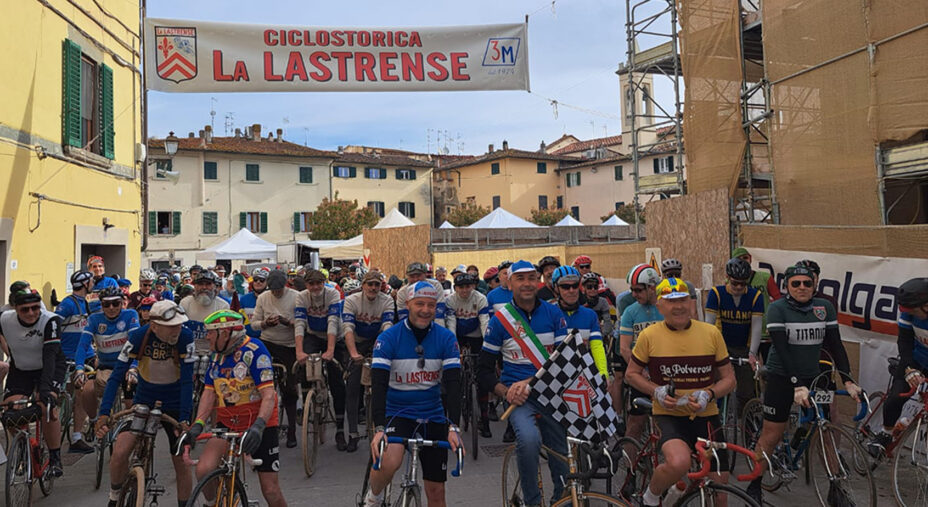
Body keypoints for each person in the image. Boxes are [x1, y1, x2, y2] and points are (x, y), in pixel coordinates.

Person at [746, 264, 862, 504]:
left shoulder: (825, 308)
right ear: (787, 286)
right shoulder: (778, 309)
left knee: (826, 426)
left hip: (815, 377)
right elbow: (782, 348)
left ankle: (835, 486)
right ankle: (754, 483)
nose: (801, 287)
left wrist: (848, 381)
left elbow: (836, 345)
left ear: (814, 285)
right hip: (782, 377)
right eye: (795, 283)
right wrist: (797, 385)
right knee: (772, 434)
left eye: (807, 283)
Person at [625, 277, 737, 507]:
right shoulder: (649, 335)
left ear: (692, 302)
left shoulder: (711, 333)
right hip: (670, 416)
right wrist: (656, 391)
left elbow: (729, 379)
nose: (678, 306)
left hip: (706, 416)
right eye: (670, 301)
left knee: (720, 488)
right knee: (679, 462)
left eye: (683, 299)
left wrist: (709, 394)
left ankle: (677, 494)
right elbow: (631, 374)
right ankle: (651, 496)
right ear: (660, 306)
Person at [478, 260, 569, 506]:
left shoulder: (554, 313)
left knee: (561, 451)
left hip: (553, 394)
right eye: (521, 279)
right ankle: (533, 501)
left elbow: (566, 361)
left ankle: (562, 500)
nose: (527, 284)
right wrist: (505, 392)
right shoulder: (499, 320)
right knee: (528, 441)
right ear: (510, 282)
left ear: (539, 281)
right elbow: (484, 371)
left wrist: (529, 381)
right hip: (519, 399)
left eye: (532, 278)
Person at [364, 282, 462, 507]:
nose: (425, 310)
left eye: (431, 305)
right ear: (407, 305)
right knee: (390, 460)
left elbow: (454, 384)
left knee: (437, 492)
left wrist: (454, 427)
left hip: (432, 414)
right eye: (419, 304)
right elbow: (378, 385)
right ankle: (374, 497)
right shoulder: (389, 338)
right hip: (396, 412)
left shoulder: (446, 338)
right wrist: (379, 429)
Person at [94, 300, 195, 507]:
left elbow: (187, 381)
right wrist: (104, 413)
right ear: (154, 325)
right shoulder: (139, 336)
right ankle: (114, 498)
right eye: (171, 326)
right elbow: (116, 377)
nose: (177, 329)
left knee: (181, 461)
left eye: (179, 324)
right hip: (144, 400)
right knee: (120, 452)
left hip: (175, 403)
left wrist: (184, 418)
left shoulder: (185, 337)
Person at [182, 310, 286, 507]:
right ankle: (213, 503)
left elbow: (268, 394)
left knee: (270, 490)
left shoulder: (256, 351)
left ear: (225, 333)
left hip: (258, 422)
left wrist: (259, 425)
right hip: (227, 422)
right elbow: (209, 393)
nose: (207, 336)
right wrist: (198, 424)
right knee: (204, 469)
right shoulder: (216, 355)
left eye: (211, 332)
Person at [0, 289, 67, 477]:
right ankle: (24, 445)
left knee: (46, 407)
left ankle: (55, 458)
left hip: (50, 366)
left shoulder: (51, 320)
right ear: (15, 310)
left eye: (35, 308)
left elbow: (50, 355)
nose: (31, 313)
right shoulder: (5, 319)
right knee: (10, 410)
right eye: (25, 309)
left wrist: (46, 390)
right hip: (21, 369)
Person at [72, 287, 139, 453]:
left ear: (122, 303)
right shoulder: (95, 319)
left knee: (131, 406)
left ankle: (131, 437)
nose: (111, 308)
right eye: (106, 304)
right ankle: (95, 421)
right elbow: (82, 345)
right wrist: (79, 368)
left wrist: (133, 367)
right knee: (87, 390)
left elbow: (136, 343)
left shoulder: (130, 315)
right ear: (101, 305)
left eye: (115, 303)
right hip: (106, 366)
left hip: (127, 365)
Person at [868, 277, 928, 456]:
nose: (912, 314)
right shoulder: (909, 314)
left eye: (915, 310)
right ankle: (885, 433)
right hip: (915, 360)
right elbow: (904, 340)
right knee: (896, 396)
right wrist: (909, 368)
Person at [294, 269, 349, 449]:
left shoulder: (332, 293)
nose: (316, 287)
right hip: (313, 334)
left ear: (324, 282)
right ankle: (307, 405)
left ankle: (340, 430)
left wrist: (331, 350)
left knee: (337, 380)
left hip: (334, 336)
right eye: (311, 284)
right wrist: (299, 352)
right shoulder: (301, 297)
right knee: (304, 367)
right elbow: (300, 324)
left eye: (319, 283)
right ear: (307, 285)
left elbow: (333, 321)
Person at [704, 258, 764, 416]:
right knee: (717, 387)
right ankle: (715, 418)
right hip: (721, 346)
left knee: (747, 392)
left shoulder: (755, 296)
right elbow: (709, 325)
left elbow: (757, 326)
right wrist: (711, 351)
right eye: (735, 283)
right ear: (727, 277)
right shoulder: (716, 293)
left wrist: (752, 353)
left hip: (744, 347)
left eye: (743, 284)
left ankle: (747, 426)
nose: (738, 287)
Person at [342, 271, 395, 452]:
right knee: (353, 386)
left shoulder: (387, 300)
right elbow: (347, 328)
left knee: (382, 383)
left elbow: (387, 327)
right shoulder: (352, 300)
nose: (373, 288)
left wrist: (379, 351)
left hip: (377, 340)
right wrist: (353, 353)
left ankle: (382, 427)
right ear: (363, 285)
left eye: (377, 285)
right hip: (356, 340)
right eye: (370, 284)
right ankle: (353, 433)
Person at [250, 269, 300, 448]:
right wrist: (265, 323)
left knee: (289, 389)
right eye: (273, 289)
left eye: (278, 289)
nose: (276, 293)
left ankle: (292, 430)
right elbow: (254, 323)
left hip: (288, 345)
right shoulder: (263, 298)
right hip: (268, 343)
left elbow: (302, 323)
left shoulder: (296, 296)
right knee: (263, 386)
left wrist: (287, 322)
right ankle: (263, 426)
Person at [617, 263, 663, 441]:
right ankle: (630, 467)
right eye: (632, 290)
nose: (633, 295)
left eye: (638, 290)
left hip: (663, 370)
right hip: (641, 371)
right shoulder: (630, 311)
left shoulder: (665, 307)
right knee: (635, 423)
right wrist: (640, 372)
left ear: (652, 288)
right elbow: (624, 348)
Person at [444, 273, 492, 437]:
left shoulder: (480, 298)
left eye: (467, 286)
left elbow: (485, 322)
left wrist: (487, 347)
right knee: (453, 375)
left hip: (476, 335)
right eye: (461, 287)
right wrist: (453, 347)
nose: (464, 290)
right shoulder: (450, 300)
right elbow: (451, 324)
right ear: (455, 288)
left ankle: (485, 421)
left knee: (482, 377)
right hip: (458, 333)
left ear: (473, 286)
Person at [551, 266, 608, 375]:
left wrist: (603, 372)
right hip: (556, 376)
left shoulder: (590, 315)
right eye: (565, 287)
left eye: (575, 285)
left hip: (584, 374)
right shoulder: (549, 314)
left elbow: (596, 346)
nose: (571, 290)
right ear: (556, 288)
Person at [180, 270, 230, 355]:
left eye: (208, 284)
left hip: (213, 354)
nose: (204, 287)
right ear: (194, 286)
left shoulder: (223, 306)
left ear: (214, 286)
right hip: (189, 353)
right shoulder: (185, 303)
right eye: (200, 284)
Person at [56, 270, 93, 361]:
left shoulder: (84, 302)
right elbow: (54, 324)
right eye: (92, 281)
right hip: (71, 356)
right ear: (85, 284)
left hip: (88, 354)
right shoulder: (68, 304)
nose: (93, 284)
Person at [396, 262, 447, 327]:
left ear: (425, 275)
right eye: (412, 276)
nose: (415, 279)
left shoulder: (436, 285)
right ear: (407, 277)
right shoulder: (402, 292)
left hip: (433, 322)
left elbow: (439, 314)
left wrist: (440, 334)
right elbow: (403, 317)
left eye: (418, 276)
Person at [582, 272, 614, 342]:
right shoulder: (580, 301)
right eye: (589, 287)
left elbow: (607, 320)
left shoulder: (603, 301)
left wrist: (602, 335)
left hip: (599, 333)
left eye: (595, 287)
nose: (593, 289)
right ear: (584, 288)